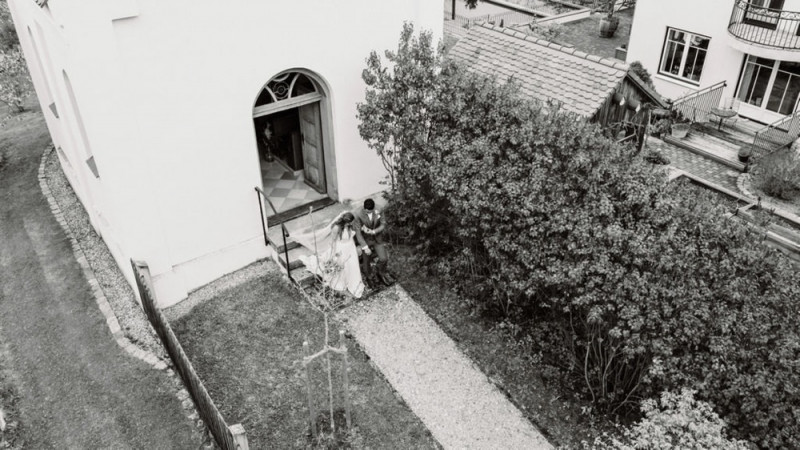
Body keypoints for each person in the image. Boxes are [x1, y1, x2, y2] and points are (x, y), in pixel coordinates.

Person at [294, 211, 365, 298]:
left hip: (351, 248)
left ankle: (354, 282)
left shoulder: (350, 226)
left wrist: (357, 247)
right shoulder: (336, 228)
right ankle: (341, 285)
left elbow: (354, 234)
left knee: (352, 266)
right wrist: (335, 254)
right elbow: (333, 241)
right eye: (351, 222)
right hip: (341, 249)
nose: (352, 223)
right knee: (343, 266)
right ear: (346, 222)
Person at [353, 198, 395, 288]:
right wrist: (364, 247)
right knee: (366, 261)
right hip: (365, 240)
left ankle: (381, 272)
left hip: (377, 238)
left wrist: (374, 231)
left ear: (373, 208)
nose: (367, 213)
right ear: (364, 208)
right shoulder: (357, 214)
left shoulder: (379, 209)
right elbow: (358, 233)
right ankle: (369, 276)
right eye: (366, 211)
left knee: (384, 259)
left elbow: (383, 224)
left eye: (369, 212)